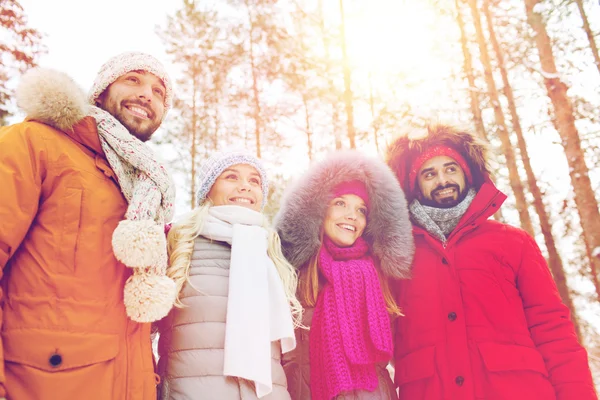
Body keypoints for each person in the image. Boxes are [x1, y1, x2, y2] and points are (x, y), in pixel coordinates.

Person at [0, 52, 178, 400]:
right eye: (133, 79)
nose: (147, 94)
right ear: (100, 92)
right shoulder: (34, 143)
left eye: (159, 92)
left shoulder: (145, 191)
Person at [386, 123, 596, 400]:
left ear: (467, 174)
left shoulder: (513, 242)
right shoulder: (396, 255)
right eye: (429, 174)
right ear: (414, 186)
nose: (443, 180)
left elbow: (553, 331)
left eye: (451, 168)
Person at [157, 151, 302, 400]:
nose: (245, 186)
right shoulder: (178, 241)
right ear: (208, 191)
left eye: (254, 181)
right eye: (231, 176)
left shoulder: (272, 252)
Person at [274, 151, 414, 400]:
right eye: (340, 203)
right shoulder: (290, 273)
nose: (352, 216)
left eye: (361, 210)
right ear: (318, 211)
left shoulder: (382, 276)